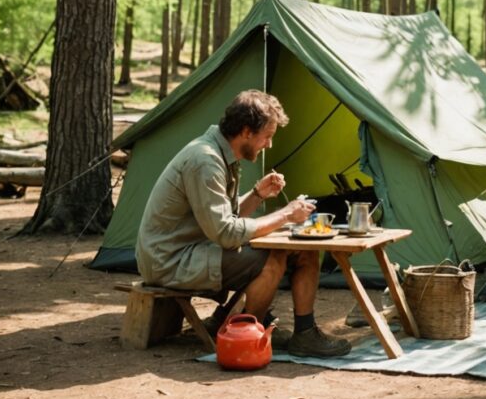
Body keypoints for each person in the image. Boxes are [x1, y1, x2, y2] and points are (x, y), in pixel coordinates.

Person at [135, 89, 351, 358]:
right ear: (247, 131)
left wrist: (258, 194)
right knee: (272, 258)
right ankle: (243, 334)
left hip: (195, 248)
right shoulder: (206, 160)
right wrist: (285, 214)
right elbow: (226, 233)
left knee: (305, 251)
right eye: (268, 136)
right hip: (170, 259)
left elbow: (226, 216)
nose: (269, 145)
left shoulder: (222, 153)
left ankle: (304, 333)